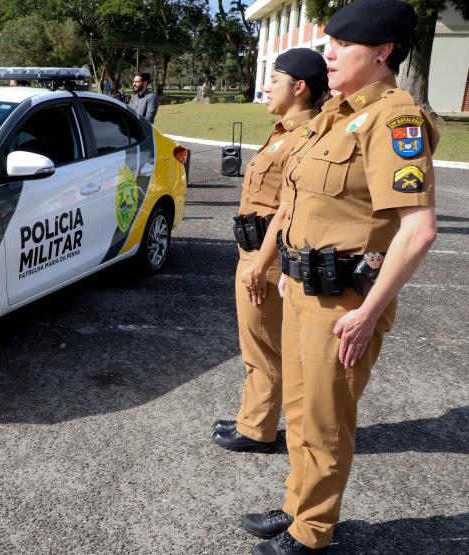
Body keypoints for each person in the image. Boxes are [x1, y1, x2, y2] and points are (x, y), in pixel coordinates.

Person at [241, 1, 438, 553]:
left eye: (343, 46)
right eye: (330, 44)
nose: (329, 55)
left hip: (345, 304)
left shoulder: (395, 119)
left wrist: (369, 312)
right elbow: (303, 200)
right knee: (302, 414)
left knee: (326, 423)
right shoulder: (335, 114)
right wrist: (288, 264)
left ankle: (312, 533)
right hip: (304, 289)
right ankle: (296, 506)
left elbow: (418, 230)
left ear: (382, 52)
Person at [212, 49, 327, 453]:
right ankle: (253, 415)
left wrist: (261, 264)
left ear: (300, 87)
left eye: (274, 80)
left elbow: (287, 209)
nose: (266, 87)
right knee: (257, 342)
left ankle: (257, 428)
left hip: (268, 256)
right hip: (255, 249)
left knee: (263, 346)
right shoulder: (284, 131)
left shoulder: (305, 136)